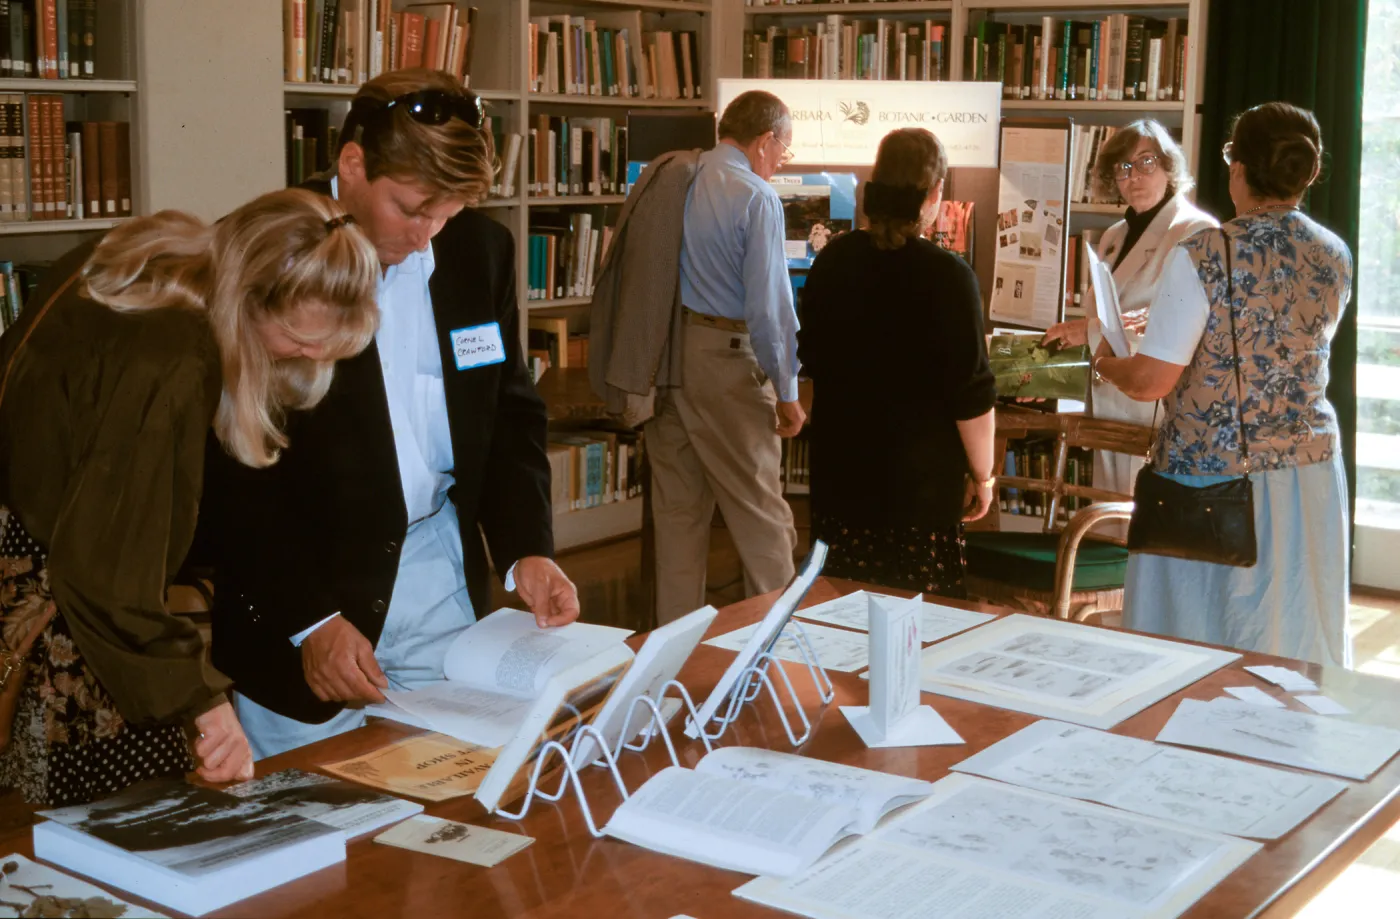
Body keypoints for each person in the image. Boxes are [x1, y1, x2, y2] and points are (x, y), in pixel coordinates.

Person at [200, 69, 581, 759]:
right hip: (306, 587)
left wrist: (527, 547)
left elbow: (508, 413)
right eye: (412, 208)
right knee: (316, 802)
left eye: (448, 211)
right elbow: (232, 476)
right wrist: (309, 619)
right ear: (353, 165)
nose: (429, 232)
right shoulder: (272, 251)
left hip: (437, 569)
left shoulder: (480, 251)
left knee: (457, 783)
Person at [0, 188, 379, 804]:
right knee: (101, 824)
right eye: (298, 338)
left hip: (46, 546)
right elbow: (106, 573)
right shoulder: (173, 356)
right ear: (247, 295)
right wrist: (202, 703)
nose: (308, 358)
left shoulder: (148, 256)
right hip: (65, 606)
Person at [1095, 102, 1352, 668]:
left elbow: (1150, 381)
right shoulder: (1334, 252)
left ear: (1237, 168)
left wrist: (1106, 363)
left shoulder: (1205, 252)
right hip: (1307, 473)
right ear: (1306, 172)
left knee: (1194, 646)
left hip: (1212, 478)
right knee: (1293, 636)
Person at [797, 128, 997, 598]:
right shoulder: (950, 277)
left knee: (839, 613)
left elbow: (810, 360)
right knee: (920, 619)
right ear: (935, 193)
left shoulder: (832, 261)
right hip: (920, 489)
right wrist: (983, 476)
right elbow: (971, 396)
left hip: (841, 477)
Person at [647, 90, 805, 625]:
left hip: (668, 359)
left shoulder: (676, 176)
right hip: (727, 364)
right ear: (765, 140)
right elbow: (769, 309)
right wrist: (787, 390)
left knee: (678, 518)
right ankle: (780, 648)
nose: (782, 161)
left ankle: (674, 654)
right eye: (784, 149)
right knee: (763, 517)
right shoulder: (756, 197)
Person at [1043, 120, 1217, 497]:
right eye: (1123, 167)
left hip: (1156, 409)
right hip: (1107, 405)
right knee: (1106, 519)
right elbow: (1101, 321)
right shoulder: (1113, 236)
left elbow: (1178, 322)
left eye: (1145, 162)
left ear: (1169, 166)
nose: (1133, 176)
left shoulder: (1196, 231)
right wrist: (1047, 376)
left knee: (1142, 520)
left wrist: (1087, 331)